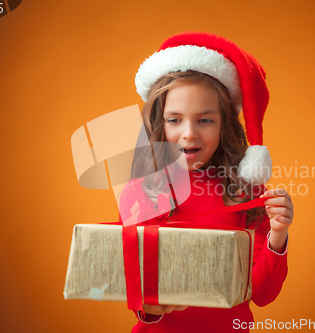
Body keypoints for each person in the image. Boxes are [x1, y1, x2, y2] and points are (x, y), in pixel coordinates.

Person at [118, 31, 295, 332]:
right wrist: (149, 307)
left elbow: (263, 295)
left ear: (224, 124)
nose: (189, 133)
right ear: (158, 123)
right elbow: (139, 297)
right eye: (175, 120)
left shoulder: (246, 192)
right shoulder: (142, 193)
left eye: (205, 120)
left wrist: (277, 235)